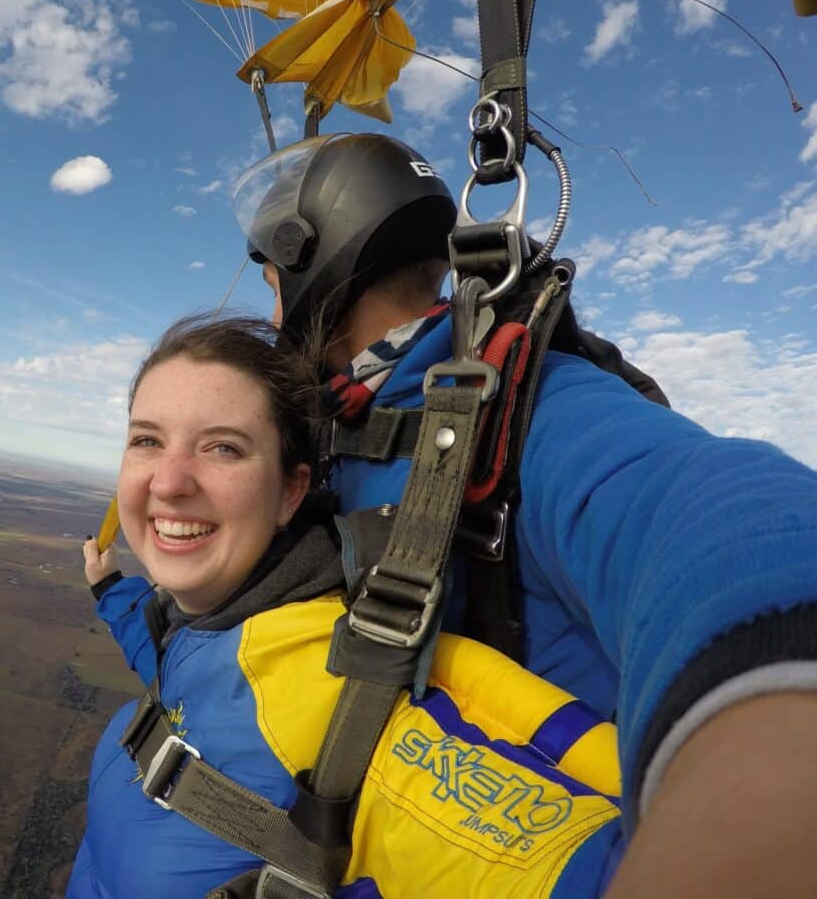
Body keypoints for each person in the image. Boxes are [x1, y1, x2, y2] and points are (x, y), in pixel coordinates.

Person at [235, 132, 817, 897]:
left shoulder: (525, 407)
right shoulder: (352, 421)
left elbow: (733, 524)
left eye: (276, 282)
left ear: (314, 267)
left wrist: (750, 808)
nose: (275, 307)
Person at [68, 316, 628, 899]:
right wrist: (111, 589)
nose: (170, 481)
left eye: (223, 447)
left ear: (290, 491)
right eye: (147, 440)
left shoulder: (351, 702)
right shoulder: (207, 625)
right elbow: (165, 649)